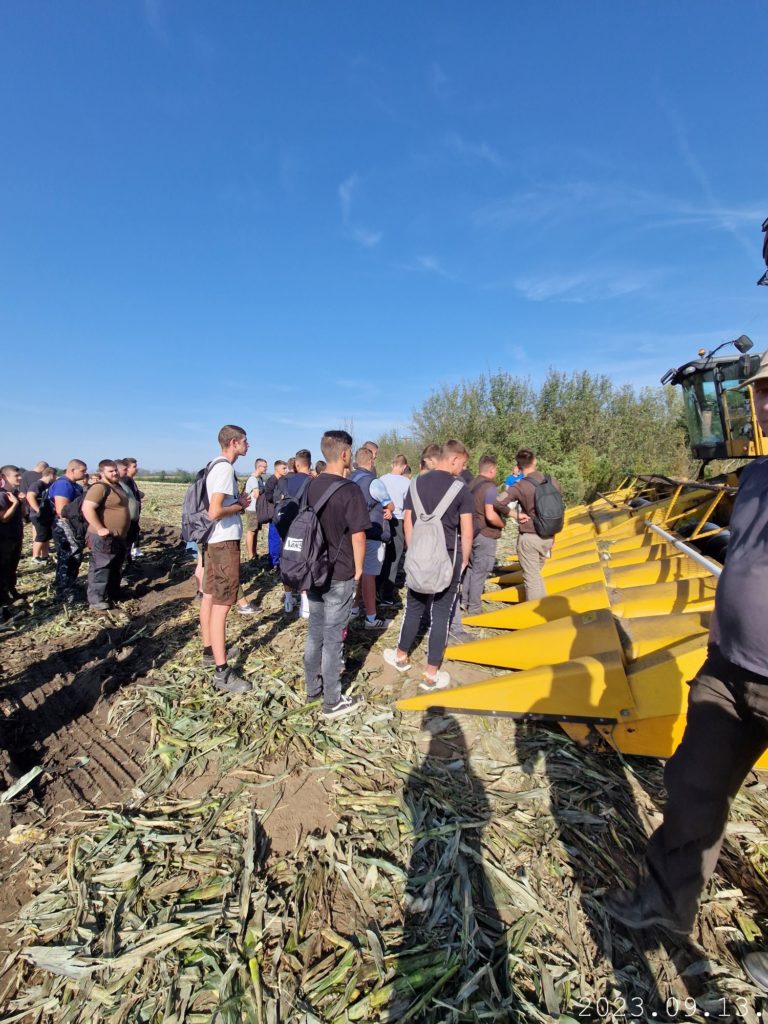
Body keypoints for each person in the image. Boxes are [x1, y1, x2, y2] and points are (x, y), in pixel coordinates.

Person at [604, 352, 768, 994]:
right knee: (692, 779)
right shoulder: (754, 475)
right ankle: (668, 899)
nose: (762, 404)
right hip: (729, 665)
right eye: (759, 394)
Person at [384, 440, 474, 691]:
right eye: (463, 463)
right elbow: (467, 530)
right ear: (454, 459)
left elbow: (408, 523)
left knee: (414, 607)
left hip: (420, 556)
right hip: (449, 556)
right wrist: (464, 559)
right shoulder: (460, 488)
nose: (463, 468)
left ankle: (401, 656)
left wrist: (414, 552)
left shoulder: (415, 484)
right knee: (441, 614)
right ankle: (431, 674)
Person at [303, 430, 370, 718]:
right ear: (344, 454)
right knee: (333, 638)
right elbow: (358, 536)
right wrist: (358, 571)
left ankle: (312, 689)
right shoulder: (350, 489)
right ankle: (332, 701)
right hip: (340, 573)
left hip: (312, 569)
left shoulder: (311, 487)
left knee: (314, 632)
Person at [198, 424, 252, 694]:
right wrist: (240, 505)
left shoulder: (214, 466)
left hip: (214, 543)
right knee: (223, 604)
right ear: (233, 442)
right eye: (244, 441)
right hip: (223, 543)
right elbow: (215, 511)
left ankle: (210, 650)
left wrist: (237, 502)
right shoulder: (224, 469)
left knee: (210, 595)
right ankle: (222, 672)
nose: (248, 445)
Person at [505, 448, 561, 601]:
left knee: (532, 579)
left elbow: (497, 502)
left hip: (529, 537)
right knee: (536, 575)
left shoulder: (519, 485)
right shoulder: (552, 481)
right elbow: (557, 509)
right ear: (535, 461)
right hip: (548, 536)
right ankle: (546, 607)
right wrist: (553, 536)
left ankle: (537, 618)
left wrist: (515, 515)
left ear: (519, 465)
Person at [350, 446, 394, 629]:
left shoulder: (348, 479)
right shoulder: (374, 483)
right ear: (370, 461)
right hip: (371, 534)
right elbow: (389, 505)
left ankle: (353, 608)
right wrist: (389, 511)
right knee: (369, 576)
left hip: (351, 535)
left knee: (355, 573)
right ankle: (371, 618)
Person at [82, 460, 131, 610]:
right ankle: (96, 600)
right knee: (101, 567)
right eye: (110, 471)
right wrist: (100, 528)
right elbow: (87, 508)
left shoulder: (116, 486)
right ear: (102, 473)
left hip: (117, 537)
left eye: (115, 470)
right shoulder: (99, 488)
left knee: (115, 567)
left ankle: (113, 593)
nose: (115, 473)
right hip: (103, 536)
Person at [463, 455, 508, 617]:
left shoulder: (472, 484)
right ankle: (474, 608)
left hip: (472, 532)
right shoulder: (490, 488)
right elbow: (490, 515)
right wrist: (502, 524)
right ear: (492, 469)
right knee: (481, 571)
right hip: (485, 534)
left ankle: (465, 600)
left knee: (471, 567)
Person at [274, 450, 313, 615]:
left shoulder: (283, 481)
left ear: (296, 464)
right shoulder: (312, 482)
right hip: (303, 530)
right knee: (304, 562)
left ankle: (288, 600)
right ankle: (305, 604)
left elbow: (275, 500)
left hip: (284, 527)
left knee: (287, 562)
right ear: (309, 464)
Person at [48, 458, 88, 603]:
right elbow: (61, 510)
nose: (85, 473)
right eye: (82, 470)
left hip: (74, 525)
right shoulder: (63, 485)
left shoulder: (73, 485)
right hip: (65, 526)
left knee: (75, 556)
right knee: (68, 556)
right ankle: (64, 590)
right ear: (72, 470)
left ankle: (70, 583)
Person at [379, 454, 410, 606]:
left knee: (382, 557)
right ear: (404, 467)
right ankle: (387, 595)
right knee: (394, 558)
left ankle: (376, 590)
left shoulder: (381, 479)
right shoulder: (407, 482)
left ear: (392, 464)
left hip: (382, 519)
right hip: (398, 520)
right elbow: (408, 508)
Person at [0, 466, 25, 617]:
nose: (20, 478)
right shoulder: (2, 496)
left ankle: (12, 591)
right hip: (4, 539)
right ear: (5, 477)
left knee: (12, 568)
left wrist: (22, 503)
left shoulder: (14, 494)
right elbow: (3, 518)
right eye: (16, 476)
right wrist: (14, 503)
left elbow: (23, 516)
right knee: (3, 569)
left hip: (16, 536)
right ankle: (4, 600)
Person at [26, 465, 57, 562]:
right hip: (38, 515)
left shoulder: (48, 485)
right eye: (55, 476)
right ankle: (35, 557)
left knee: (47, 535)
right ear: (51, 475)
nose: (55, 478)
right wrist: (38, 510)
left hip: (46, 514)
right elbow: (30, 496)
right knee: (41, 535)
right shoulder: (38, 484)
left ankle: (45, 555)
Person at [264, 459, 288, 570]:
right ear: (277, 468)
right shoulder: (271, 481)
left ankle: (280, 560)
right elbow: (268, 496)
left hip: (281, 513)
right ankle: (273, 563)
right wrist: (279, 498)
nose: (286, 470)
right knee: (274, 538)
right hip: (274, 514)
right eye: (283, 468)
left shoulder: (283, 480)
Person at [243, 457, 268, 559]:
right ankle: (250, 555)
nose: (266, 469)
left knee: (256, 531)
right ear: (259, 467)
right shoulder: (253, 479)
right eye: (265, 467)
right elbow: (256, 494)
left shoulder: (260, 479)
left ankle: (254, 553)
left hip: (257, 509)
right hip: (252, 509)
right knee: (251, 531)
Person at [122, 458, 144, 559]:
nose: (136, 469)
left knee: (132, 537)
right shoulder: (125, 481)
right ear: (126, 468)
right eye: (134, 467)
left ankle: (130, 559)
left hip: (134, 516)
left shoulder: (131, 480)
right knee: (127, 541)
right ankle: (127, 561)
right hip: (129, 517)